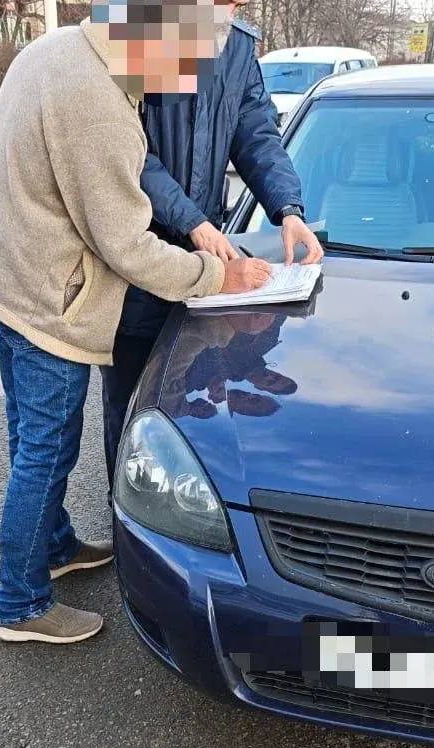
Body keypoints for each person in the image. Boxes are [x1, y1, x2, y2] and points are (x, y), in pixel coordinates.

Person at [0, 0, 272, 646]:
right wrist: (217, 277)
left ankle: (55, 544)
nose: (180, 83)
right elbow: (128, 246)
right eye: (182, 64)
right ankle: (21, 602)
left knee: (25, 432)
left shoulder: (59, 48)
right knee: (47, 448)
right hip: (46, 300)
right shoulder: (98, 104)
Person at [100, 0, 323, 485]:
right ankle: (128, 515)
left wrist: (288, 209)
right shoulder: (136, 32)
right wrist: (191, 219)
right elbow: (126, 152)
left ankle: (183, 512)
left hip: (208, 261)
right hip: (138, 256)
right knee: (133, 400)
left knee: (195, 398)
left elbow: (257, 136)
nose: (231, 10)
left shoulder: (237, 45)